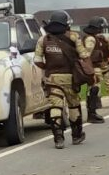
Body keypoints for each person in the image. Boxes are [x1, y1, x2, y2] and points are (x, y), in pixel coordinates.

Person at [34, 11, 89, 149]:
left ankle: (58, 137)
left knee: (56, 106)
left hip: (52, 79)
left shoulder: (44, 39)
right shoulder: (74, 37)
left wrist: (49, 67)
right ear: (66, 23)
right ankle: (76, 136)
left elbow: (37, 61)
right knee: (73, 105)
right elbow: (84, 55)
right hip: (71, 78)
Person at [82, 16, 109, 117]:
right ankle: (107, 101)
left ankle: (100, 103)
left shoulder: (94, 39)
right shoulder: (95, 39)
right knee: (102, 84)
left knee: (101, 83)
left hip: (99, 65)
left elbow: (86, 54)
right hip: (98, 65)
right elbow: (87, 54)